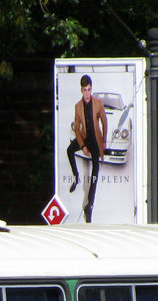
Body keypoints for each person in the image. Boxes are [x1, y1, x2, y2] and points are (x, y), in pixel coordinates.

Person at [66, 74, 108, 222]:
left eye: (89, 90)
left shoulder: (98, 102)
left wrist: (103, 141)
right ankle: (76, 176)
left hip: (95, 139)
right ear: (81, 90)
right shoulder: (78, 106)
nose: (87, 93)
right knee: (70, 150)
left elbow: (104, 120)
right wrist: (82, 146)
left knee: (95, 170)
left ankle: (90, 204)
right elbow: (77, 128)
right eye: (85, 90)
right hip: (85, 137)